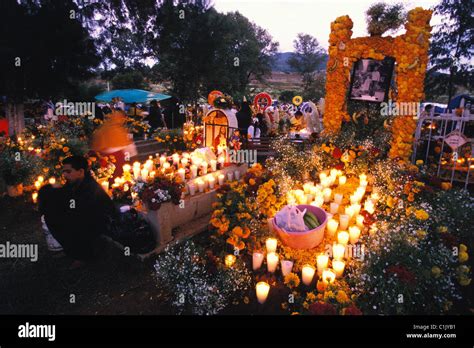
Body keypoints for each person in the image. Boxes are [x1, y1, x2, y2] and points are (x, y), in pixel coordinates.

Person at [38, 156, 116, 269]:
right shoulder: (73, 182)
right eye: (64, 171)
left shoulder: (90, 187)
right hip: (82, 216)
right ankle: (72, 250)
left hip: (99, 222)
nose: (65, 175)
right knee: (51, 216)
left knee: (68, 223)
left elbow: (87, 213)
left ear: (80, 172)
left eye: (68, 171)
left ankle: (83, 256)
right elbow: (65, 198)